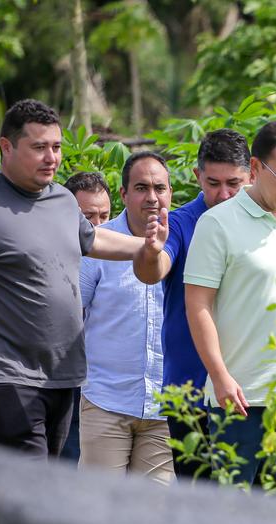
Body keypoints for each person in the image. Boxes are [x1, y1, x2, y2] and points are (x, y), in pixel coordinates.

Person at [0, 98, 167, 458]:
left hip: (62, 373)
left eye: (56, 147)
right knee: (32, 476)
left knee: (39, 484)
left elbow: (92, 238)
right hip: (3, 373)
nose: (51, 157)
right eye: (39, 147)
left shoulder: (61, 199)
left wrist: (145, 246)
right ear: (6, 147)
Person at [183, 120, 276, 488]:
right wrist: (219, 377)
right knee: (233, 519)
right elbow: (197, 305)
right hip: (241, 398)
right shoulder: (217, 223)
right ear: (255, 168)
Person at [132, 129, 252, 479]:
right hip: (191, 393)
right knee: (198, 503)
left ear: (253, 175)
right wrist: (152, 252)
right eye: (213, 182)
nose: (224, 194)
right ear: (197, 176)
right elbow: (154, 272)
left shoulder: (265, 222)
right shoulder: (182, 222)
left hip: (251, 388)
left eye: (234, 183)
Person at [77, 152, 175, 484]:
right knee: (97, 512)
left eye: (159, 188)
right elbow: (72, 317)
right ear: (123, 194)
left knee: (154, 517)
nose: (152, 197)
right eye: (141, 187)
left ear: (170, 192)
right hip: (106, 401)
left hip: (165, 408)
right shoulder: (98, 244)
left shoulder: (183, 239)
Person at [58, 170, 115, 464]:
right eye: (88, 217)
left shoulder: (121, 255)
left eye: (105, 215)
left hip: (109, 387)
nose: (98, 226)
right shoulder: (52, 256)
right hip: (63, 383)